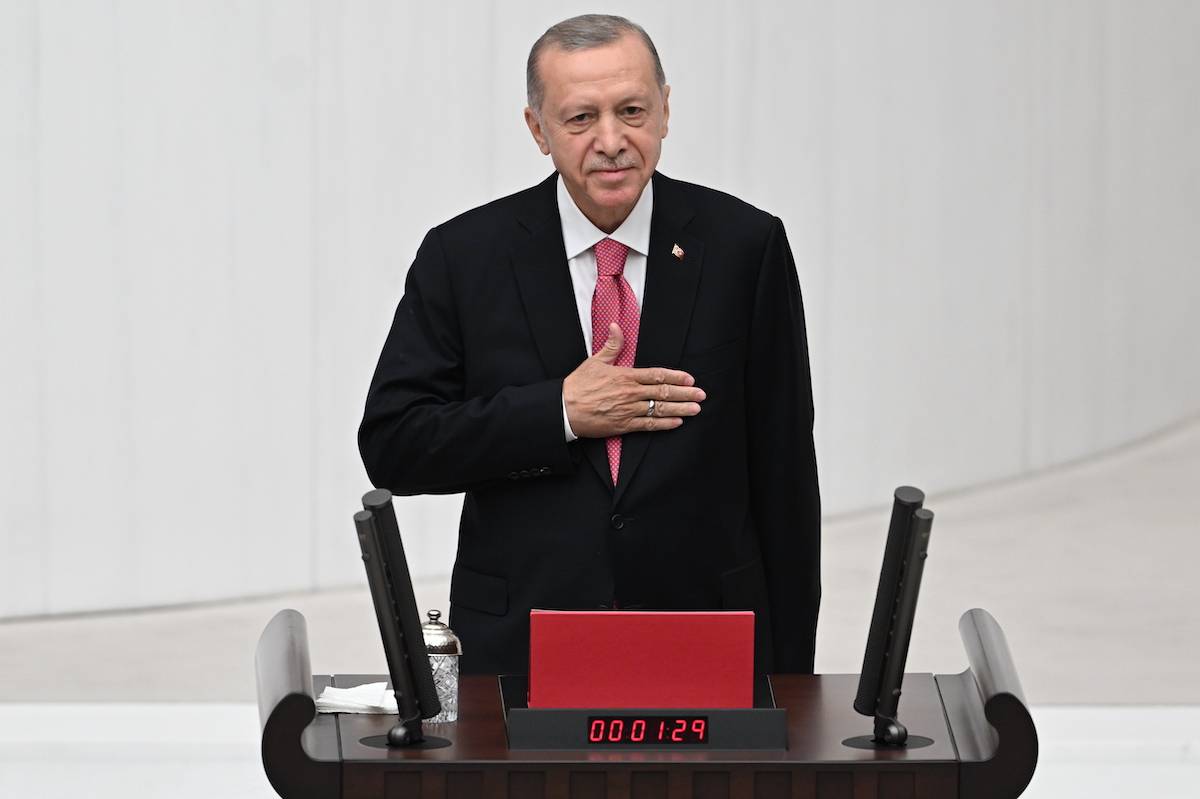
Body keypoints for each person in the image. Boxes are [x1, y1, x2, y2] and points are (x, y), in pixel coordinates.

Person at [359, 14, 820, 675]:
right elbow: (394, 443)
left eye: (632, 110)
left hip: (704, 635)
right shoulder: (464, 256)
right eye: (580, 119)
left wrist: (792, 681)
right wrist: (560, 413)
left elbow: (785, 481)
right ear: (538, 129)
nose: (612, 141)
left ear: (665, 110)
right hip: (521, 643)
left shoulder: (745, 246)